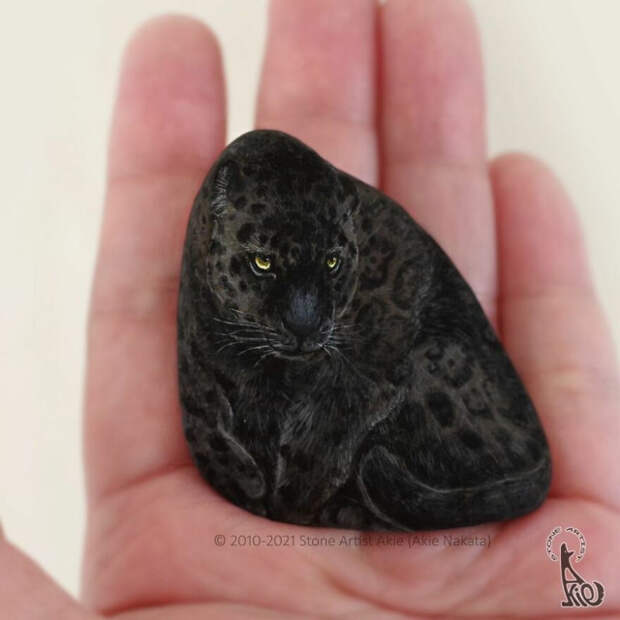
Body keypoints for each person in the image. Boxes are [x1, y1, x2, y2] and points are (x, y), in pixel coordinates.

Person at [2, 1, 619, 617]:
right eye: (262, 266)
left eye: (330, 268)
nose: (306, 320)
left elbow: (359, 388)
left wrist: (307, 483)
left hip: (452, 413)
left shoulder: (357, 281)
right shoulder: (218, 261)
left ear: (347, 234)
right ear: (218, 234)